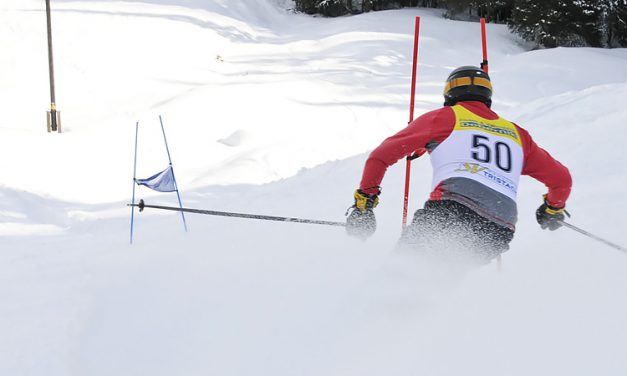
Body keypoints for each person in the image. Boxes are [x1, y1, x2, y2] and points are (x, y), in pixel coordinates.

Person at [346, 66, 572, 263]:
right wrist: (553, 209)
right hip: (499, 228)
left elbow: (380, 157)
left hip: (453, 209)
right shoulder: (517, 134)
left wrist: (363, 207)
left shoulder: (445, 117)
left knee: (399, 275)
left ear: (449, 93)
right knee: (435, 283)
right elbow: (562, 179)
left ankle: (379, 309)